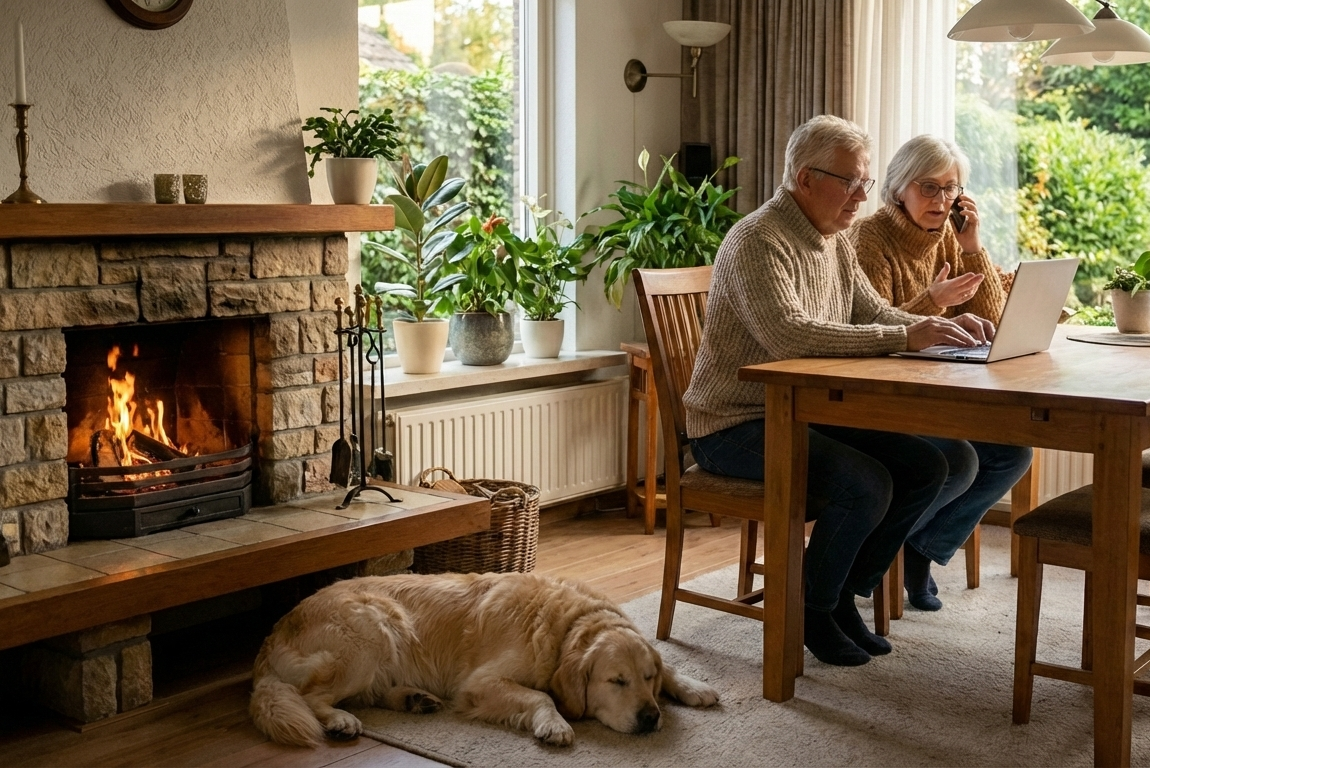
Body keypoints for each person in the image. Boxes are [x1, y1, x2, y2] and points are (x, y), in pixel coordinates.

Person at [683, 116, 993, 667]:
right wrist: (906, 335)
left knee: (934, 464)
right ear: (806, 178)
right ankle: (812, 608)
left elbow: (873, 312)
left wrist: (939, 328)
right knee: (865, 483)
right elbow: (789, 334)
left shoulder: (833, 241)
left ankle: (842, 595)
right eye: (851, 181)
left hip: (803, 411)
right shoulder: (757, 239)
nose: (862, 196)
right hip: (733, 423)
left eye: (865, 182)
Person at [849, 135, 1035, 612]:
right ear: (898, 188)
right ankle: (882, 552)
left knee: (1013, 453)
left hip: (937, 390)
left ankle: (921, 547)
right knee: (960, 459)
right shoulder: (868, 239)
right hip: (883, 400)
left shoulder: (948, 236)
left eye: (951, 189)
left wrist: (972, 246)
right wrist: (932, 301)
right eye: (928, 187)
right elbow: (868, 331)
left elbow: (994, 320)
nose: (941, 199)